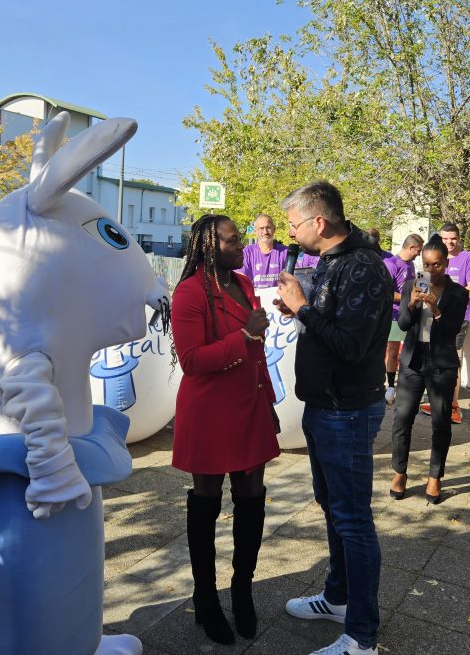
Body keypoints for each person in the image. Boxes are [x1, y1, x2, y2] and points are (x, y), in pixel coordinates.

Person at [275, 181, 392, 655]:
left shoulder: (363, 266)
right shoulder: (331, 261)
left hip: (347, 410)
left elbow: (350, 345)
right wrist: (299, 311)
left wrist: (304, 308)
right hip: (324, 405)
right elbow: (330, 326)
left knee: (353, 519)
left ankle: (361, 637)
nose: (291, 233)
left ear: (319, 223)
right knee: (333, 508)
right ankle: (339, 597)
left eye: (294, 224)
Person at [171, 214, 280, 645]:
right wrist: (246, 334)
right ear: (209, 246)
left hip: (251, 404)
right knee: (207, 500)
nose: (243, 245)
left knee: (252, 498)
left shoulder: (244, 283)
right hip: (210, 412)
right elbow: (192, 360)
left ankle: (242, 590)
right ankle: (205, 598)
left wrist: (269, 402)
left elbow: (256, 354)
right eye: (234, 240)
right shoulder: (189, 291)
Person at [388, 237, 469, 504]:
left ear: (446, 263)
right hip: (412, 360)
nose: (431, 270)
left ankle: (435, 477)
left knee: (440, 420)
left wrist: (435, 309)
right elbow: (402, 324)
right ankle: (399, 472)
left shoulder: (458, 293)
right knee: (402, 417)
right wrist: (410, 303)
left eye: (437, 265)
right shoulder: (412, 283)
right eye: (426, 264)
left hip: (441, 363)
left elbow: (451, 332)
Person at [426, 222, 470, 423]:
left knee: (451, 359)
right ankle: (436, 400)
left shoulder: (467, 258)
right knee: (432, 356)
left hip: (457, 317)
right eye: (445, 239)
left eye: (453, 239)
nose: (449, 243)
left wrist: (450, 300)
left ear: (459, 238)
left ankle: (453, 406)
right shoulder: (434, 255)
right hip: (430, 315)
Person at [383, 234, 424, 403]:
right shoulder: (390, 264)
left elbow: (413, 287)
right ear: (411, 247)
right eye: (418, 251)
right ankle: (390, 386)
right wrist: (409, 298)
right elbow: (386, 292)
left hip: (409, 314)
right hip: (393, 314)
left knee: (408, 351)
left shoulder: (412, 265)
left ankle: (405, 386)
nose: (419, 255)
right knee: (392, 352)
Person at [240, 213, 289, 289]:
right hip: (254, 299)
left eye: (268, 227)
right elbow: (240, 279)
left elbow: (294, 278)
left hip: (279, 299)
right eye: (261, 228)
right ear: (255, 231)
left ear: (274, 229)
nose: (265, 232)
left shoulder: (286, 252)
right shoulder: (246, 252)